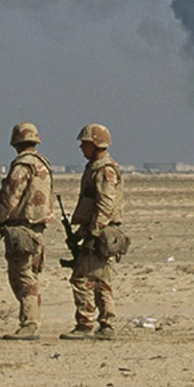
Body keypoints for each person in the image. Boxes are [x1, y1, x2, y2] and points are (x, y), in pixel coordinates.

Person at [0, 121, 55, 341]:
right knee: (31, 275)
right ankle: (31, 320)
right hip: (37, 228)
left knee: (22, 277)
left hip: (21, 230)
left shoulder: (22, 167)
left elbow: (8, 201)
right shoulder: (43, 165)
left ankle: (29, 324)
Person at [61, 123, 124, 340]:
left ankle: (85, 325)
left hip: (100, 233)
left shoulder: (104, 169)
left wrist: (92, 232)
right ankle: (107, 324)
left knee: (82, 279)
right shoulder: (96, 167)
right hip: (98, 231)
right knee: (101, 282)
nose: (81, 148)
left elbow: (106, 204)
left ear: (96, 144)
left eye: (85, 144)